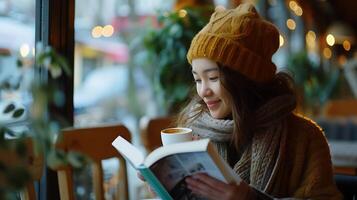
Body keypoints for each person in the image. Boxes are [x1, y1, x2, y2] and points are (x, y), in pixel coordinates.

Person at [175, 2, 342, 200]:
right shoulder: (193, 131)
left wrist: (250, 198)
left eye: (213, 78)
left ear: (245, 79)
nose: (203, 91)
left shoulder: (305, 138)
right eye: (197, 80)